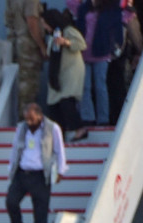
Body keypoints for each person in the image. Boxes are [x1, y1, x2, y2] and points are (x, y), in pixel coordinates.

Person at [4, 104, 68, 223]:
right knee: (11, 201)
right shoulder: (22, 128)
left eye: (32, 119)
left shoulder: (52, 128)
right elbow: (15, 148)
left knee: (40, 212)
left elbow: (60, 150)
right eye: (27, 119)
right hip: (22, 172)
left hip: (40, 175)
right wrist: (11, 168)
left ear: (39, 116)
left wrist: (61, 170)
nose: (29, 122)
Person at [42, 10, 88, 142]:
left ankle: (79, 128)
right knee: (53, 105)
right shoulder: (52, 36)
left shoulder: (69, 31)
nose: (44, 26)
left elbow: (82, 44)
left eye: (45, 23)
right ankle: (58, 135)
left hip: (70, 72)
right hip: (57, 75)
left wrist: (66, 42)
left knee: (66, 101)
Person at [76, 1, 124, 127]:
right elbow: (78, 27)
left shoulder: (112, 8)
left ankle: (103, 118)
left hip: (102, 51)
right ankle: (87, 117)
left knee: (100, 86)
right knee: (84, 86)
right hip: (83, 51)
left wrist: (116, 46)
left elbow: (117, 29)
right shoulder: (83, 8)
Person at [6, 0, 47, 120]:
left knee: (22, 84)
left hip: (16, 43)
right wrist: (42, 46)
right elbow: (32, 22)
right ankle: (27, 120)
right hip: (28, 46)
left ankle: (23, 118)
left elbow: (9, 21)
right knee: (29, 86)